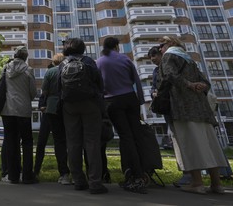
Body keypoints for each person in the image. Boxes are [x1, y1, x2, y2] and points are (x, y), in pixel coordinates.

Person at [158, 36, 227, 195]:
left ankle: (197, 183)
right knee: (210, 144)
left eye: (162, 45)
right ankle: (216, 183)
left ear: (171, 43)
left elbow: (169, 75)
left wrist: (188, 85)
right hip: (201, 108)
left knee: (190, 143)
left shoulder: (169, 56)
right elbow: (205, 82)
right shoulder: (189, 59)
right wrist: (199, 86)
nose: (160, 49)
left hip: (183, 106)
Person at [96, 37, 147, 194]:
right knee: (135, 136)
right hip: (130, 98)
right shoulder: (125, 58)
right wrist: (140, 101)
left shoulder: (99, 62)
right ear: (117, 46)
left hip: (112, 101)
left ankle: (134, 175)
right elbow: (136, 80)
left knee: (125, 137)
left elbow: (98, 86)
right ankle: (140, 173)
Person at [59, 38, 108, 195]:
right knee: (92, 143)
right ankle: (95, 183)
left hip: (69, 107)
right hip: (90, 104)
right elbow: (100, 83)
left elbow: (57, 87)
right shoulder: (89, 62)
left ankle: (78, 181)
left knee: (73, 143)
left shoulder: (62, 64)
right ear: (82, 48)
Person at [149, 45, 191, 187]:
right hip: (168, 108)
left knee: (182, 139)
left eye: (154, 55)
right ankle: (187, 173)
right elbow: (155, 86)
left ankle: (190, 174)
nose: (153, 59)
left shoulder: (171, 67)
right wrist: (154, 92)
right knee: (176, 139)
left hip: (178, 107)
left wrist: (159, 91)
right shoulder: (156, 71)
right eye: (150, 58)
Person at [0, 46, 38, 184]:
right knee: (27, 142)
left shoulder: (5, 69)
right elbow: (33, 92)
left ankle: (12, 176)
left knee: (11, 142)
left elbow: (1, 87)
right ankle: (27, 175)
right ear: (25, 57)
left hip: (7, 110)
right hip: (23, 111)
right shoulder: (28, 70)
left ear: (14, 56)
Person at [34, 54, 71, 185]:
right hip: (63, 109)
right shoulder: (68, 70)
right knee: (60, 142)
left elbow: (44, 91)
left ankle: (35, 171)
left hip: (49, 110)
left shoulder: (50, 72)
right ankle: (64, 173)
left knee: (41, 142)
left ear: (54, 61)